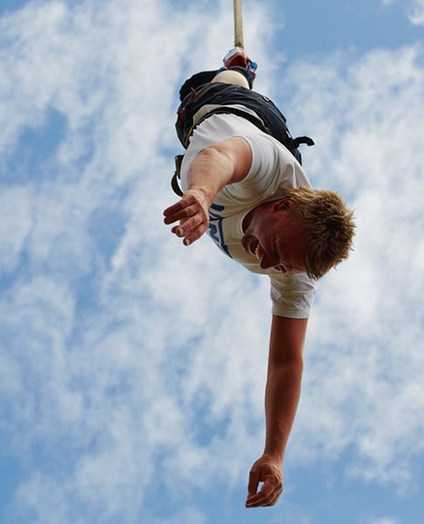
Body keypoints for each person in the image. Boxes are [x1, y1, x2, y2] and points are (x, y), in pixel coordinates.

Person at [163, 49, 356, 508]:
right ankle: (239, 68)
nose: (268, 263)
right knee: (221, 87)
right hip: (229, 111)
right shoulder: (270, 169)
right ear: (282, 204)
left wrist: (275, 453)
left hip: (254, 143)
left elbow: (287, 362)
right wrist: (200, 193)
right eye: (277, 250)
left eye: (281, 267)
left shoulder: (298, 273)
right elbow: (222, 155)